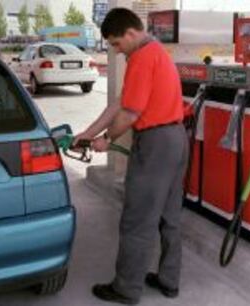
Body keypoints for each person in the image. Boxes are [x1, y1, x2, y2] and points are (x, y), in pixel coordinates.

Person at [74, 8, 189, 305]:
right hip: (175, 140)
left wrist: (107, 140)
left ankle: (126, 289)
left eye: (116, 43)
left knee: (137, 219)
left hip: (155, 145)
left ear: (130, 33)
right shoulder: (155, 53)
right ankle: (168, 280)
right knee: (169, 217)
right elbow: (120, 102)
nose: (115, 50)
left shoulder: (141, 58)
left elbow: (129, 113)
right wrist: (89, 133)